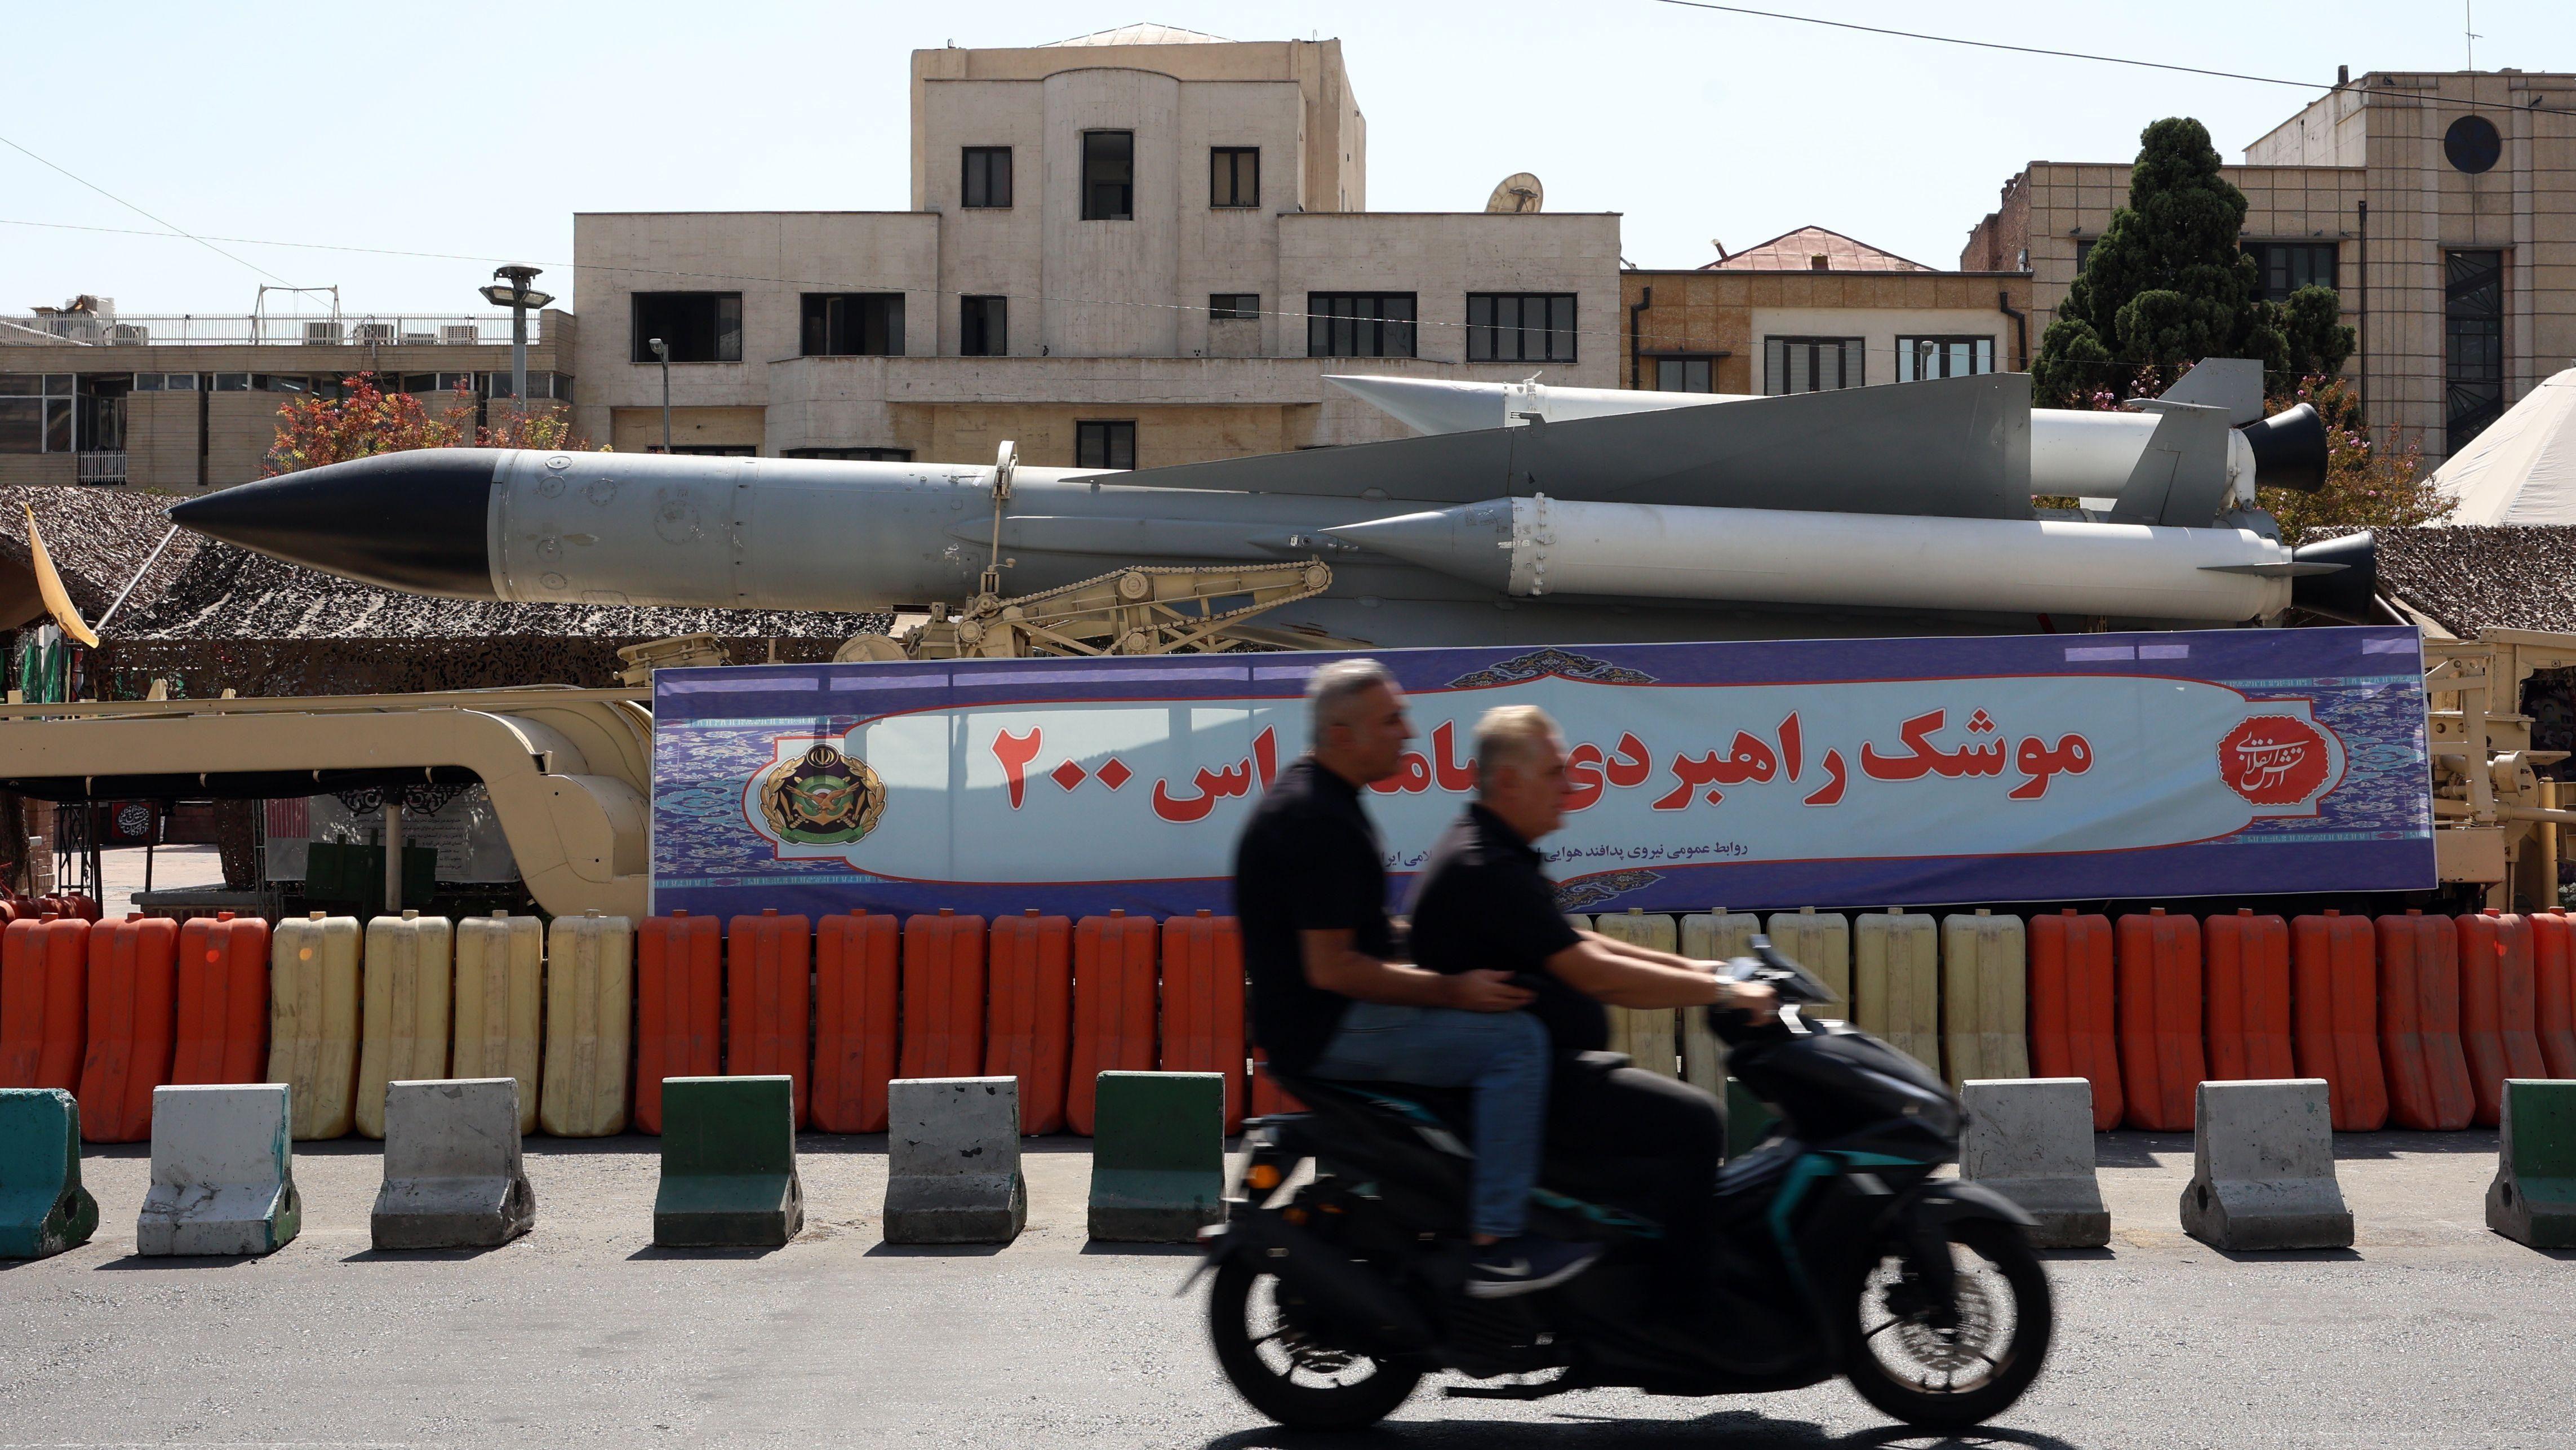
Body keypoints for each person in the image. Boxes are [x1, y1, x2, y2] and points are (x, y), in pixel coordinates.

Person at [1234, 659, 1601, 1298]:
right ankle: (1497, 1239)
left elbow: (1367, 934)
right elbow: (1334, 966)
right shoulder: (1318, 819)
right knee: (1516, 1044)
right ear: (1342, 733)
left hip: (1321, 1016)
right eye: (1390, 719)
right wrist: (1452, 989)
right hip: (1328, 1026)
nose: (1408, 731)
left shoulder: (1326, 801)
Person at [1406, 703, 1776, 1323]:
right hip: (1531, 1079)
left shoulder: (1500, 851)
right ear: (1509, 782)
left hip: (1546, 1069)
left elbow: (1583, 943)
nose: (1571, 786)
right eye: (1555, 772)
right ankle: (1684, 1312)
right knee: (1695, 1122)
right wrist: (1722, 993)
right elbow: (1594, 973)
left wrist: (1710, 971)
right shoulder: (1487, 865)